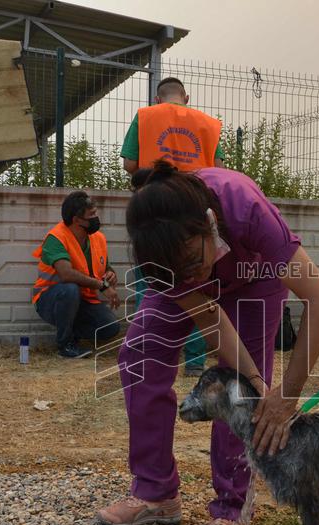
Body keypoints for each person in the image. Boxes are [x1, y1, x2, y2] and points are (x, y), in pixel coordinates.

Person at [96, 161, 319, 525]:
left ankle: (231, 508)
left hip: (255, 280)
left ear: (208, 223)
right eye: (178, 271)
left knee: (238, 390)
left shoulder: (244, 207)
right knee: (140, 355)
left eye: (193, 260)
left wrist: (284, 393)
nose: (192, 276)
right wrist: (258, 383)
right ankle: (155, 491)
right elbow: (210, 319)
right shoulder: (165, 261)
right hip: (194, 279)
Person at [122, 77, 226, 375]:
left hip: (154, 210)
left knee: (152, 283)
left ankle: (150, 352)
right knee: (195, 282)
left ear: (157, 99)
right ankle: (194, 362)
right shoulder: (208, 124)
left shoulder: (145, 117)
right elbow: (217, 167)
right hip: (193, 210)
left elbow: (130, 164)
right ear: (187, 97)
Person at [32, 191, 120, 358]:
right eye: (92, 214)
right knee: (70, 289)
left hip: (83, 301)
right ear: (77, 220)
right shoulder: (56, 238)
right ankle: (65, 345)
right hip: (48, 301)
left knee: (110, 327)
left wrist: (110, 275)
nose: (96, 217)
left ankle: (72, 333)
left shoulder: (98, 238)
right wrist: (102, 285)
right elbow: (66, 275)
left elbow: (105, 267)